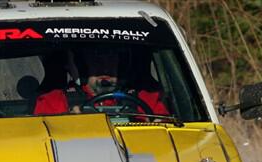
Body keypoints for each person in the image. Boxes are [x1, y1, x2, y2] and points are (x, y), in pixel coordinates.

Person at [33, 48, 170, 116]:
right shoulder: (53, 102)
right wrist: (67, 121)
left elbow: (168, 133)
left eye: (111, 57)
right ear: (81, 64)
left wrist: (151, 123)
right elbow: (40, 140)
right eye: (96, 58)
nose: (105, 66)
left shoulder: (147, 101)